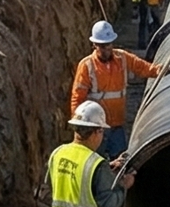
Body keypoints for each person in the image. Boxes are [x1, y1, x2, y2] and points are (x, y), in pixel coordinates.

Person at [68, 20, 161, 161]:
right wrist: (78, 126)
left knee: (120, 163)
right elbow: (77, 97)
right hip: (96, 128)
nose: (106, 49)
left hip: (117, 125)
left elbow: (142, 68)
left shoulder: (122, 58)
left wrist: (160, 70)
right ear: (94, 45)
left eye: (109, 44)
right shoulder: (87, 66)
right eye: (102, 46)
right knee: (93, 163)